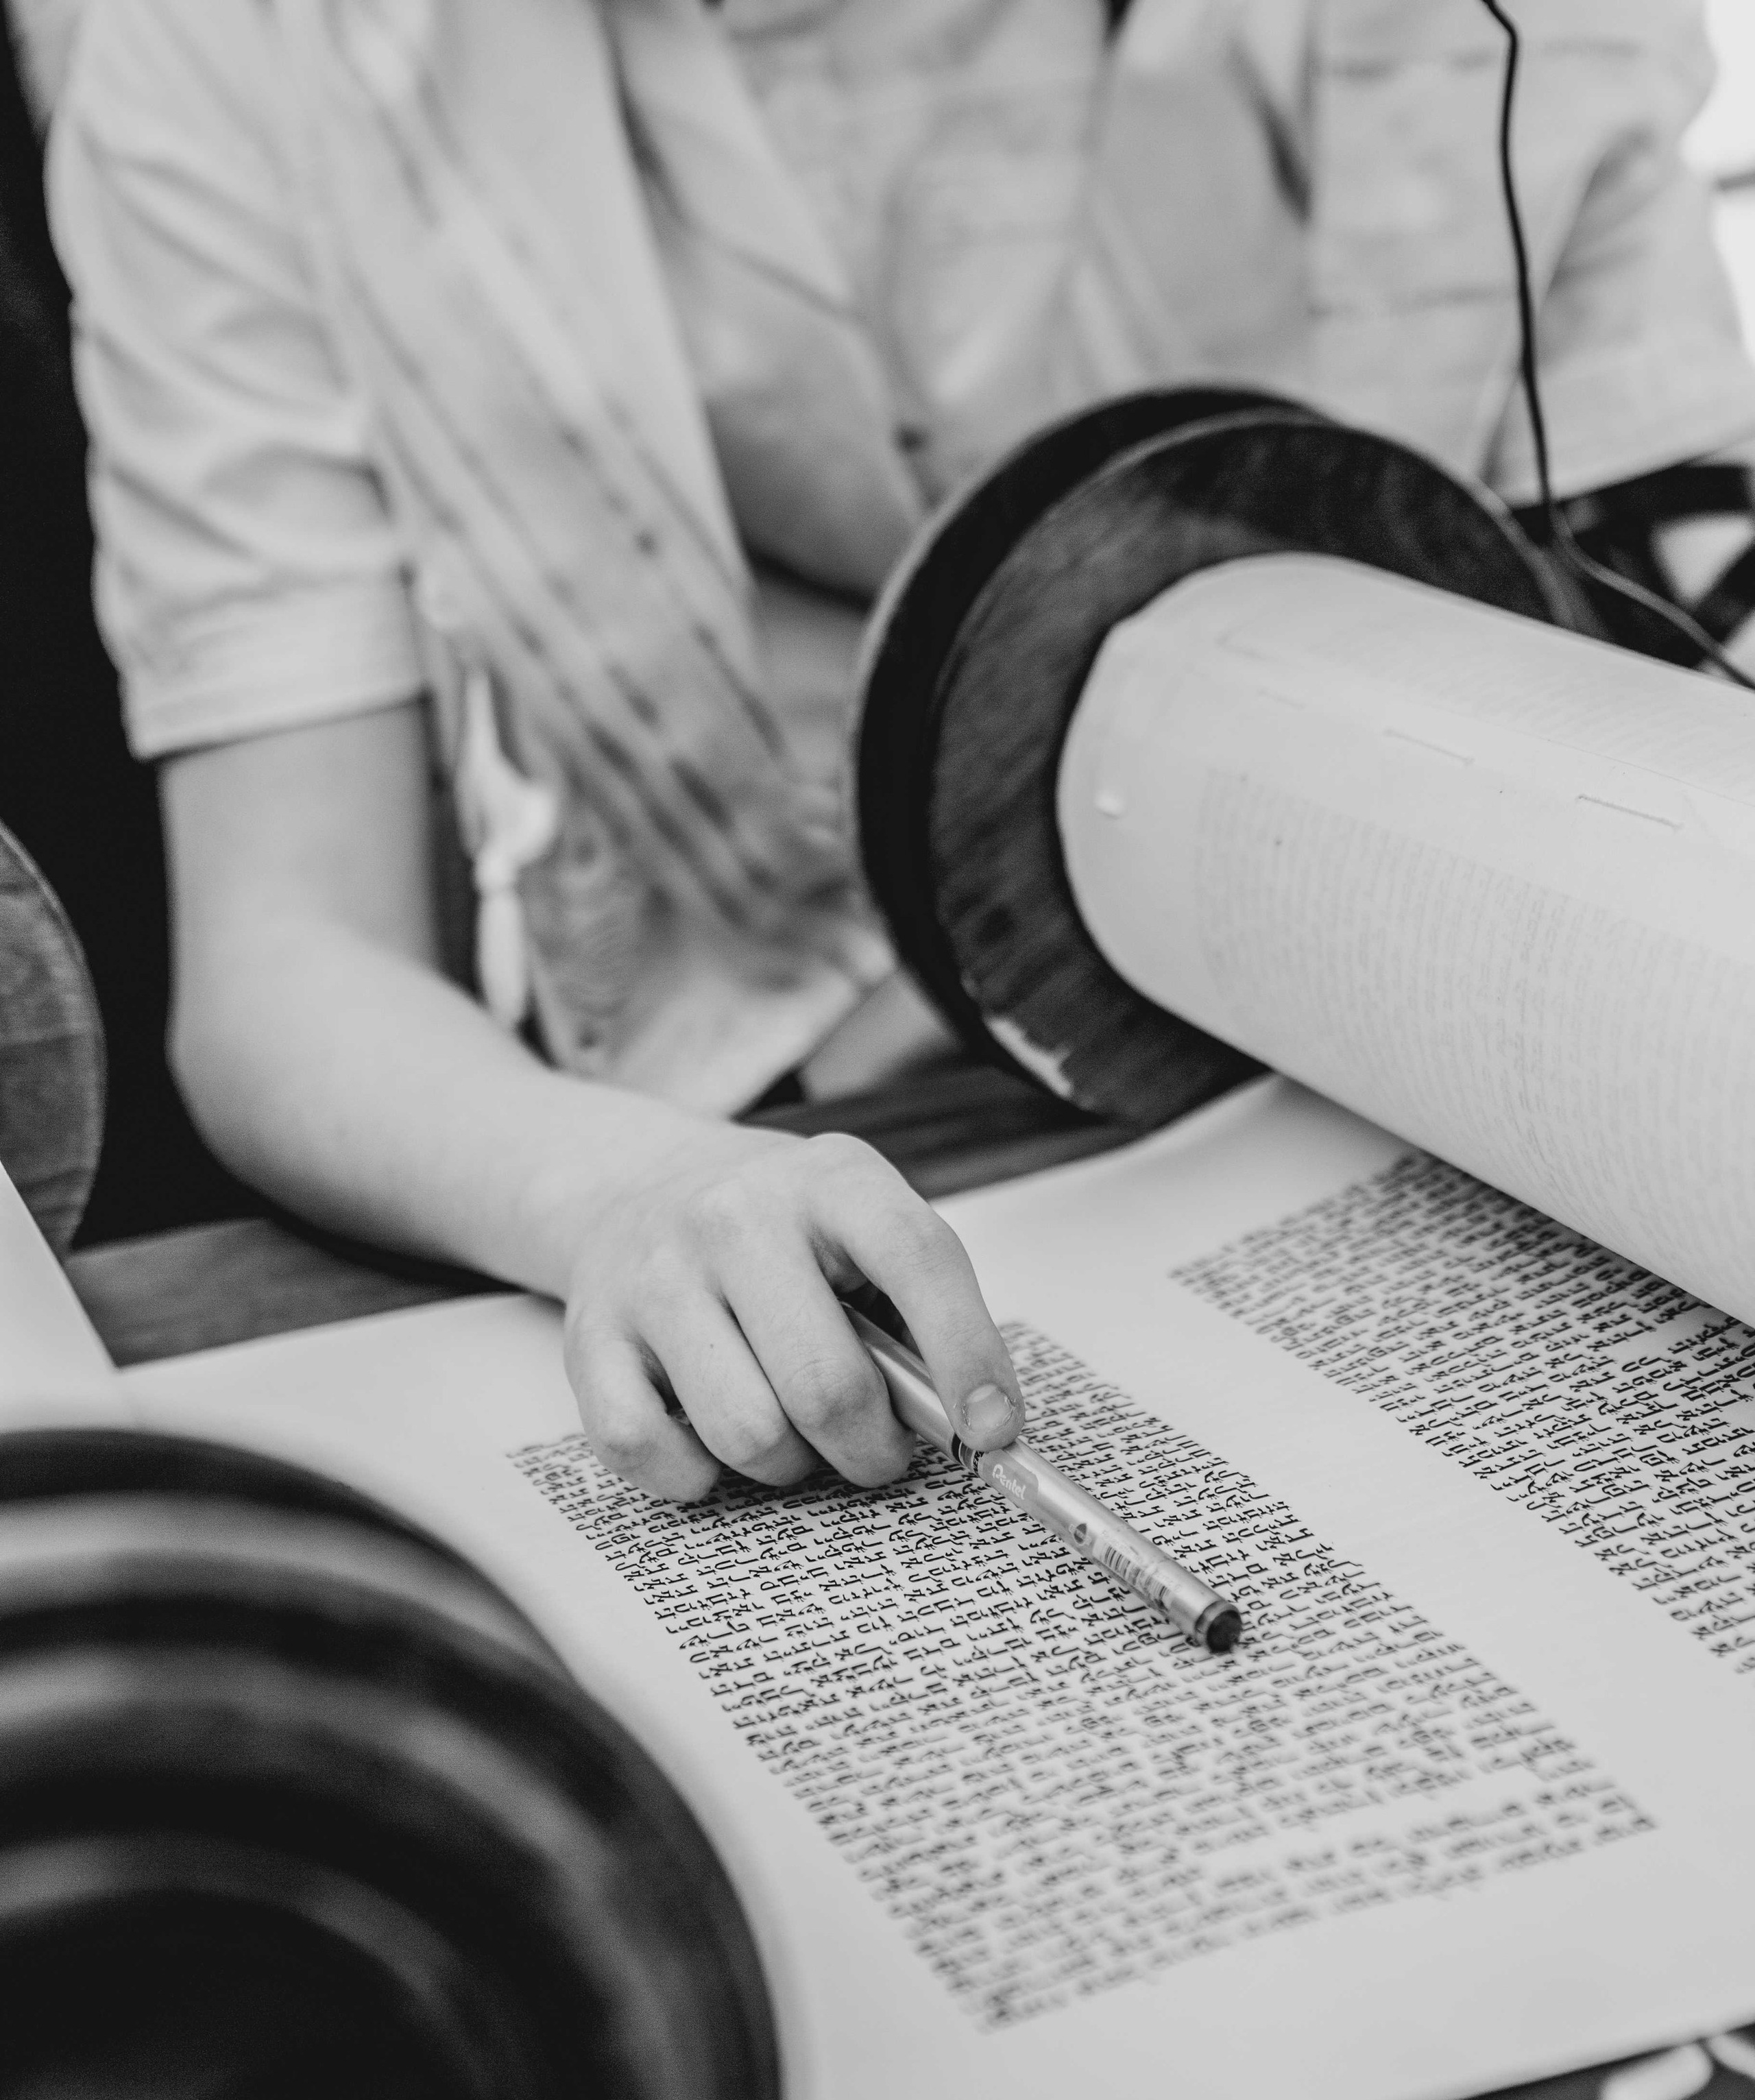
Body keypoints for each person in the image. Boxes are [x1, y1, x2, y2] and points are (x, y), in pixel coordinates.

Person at [32, 0, 1755, 1499]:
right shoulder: (235, 38)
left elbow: (1686, 565)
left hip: (1420, 1061)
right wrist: (624, 1189)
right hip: (770, 1128)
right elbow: (285, 955)